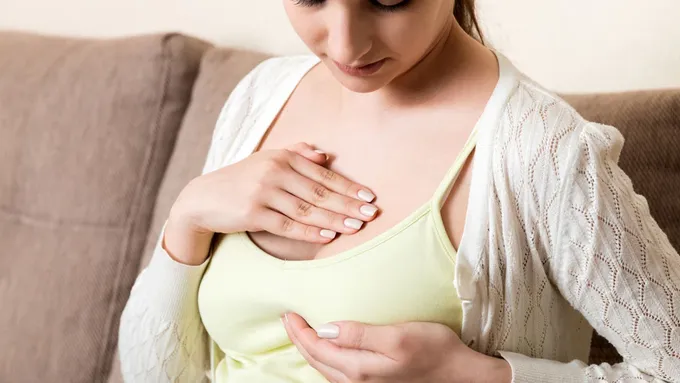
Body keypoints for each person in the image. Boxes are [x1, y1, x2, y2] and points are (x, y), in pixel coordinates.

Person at [118, 1, 680, 382]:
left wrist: (480, 377)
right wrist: (187, 219)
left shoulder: (545, 154)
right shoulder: (260, 96)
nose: (345, 44)